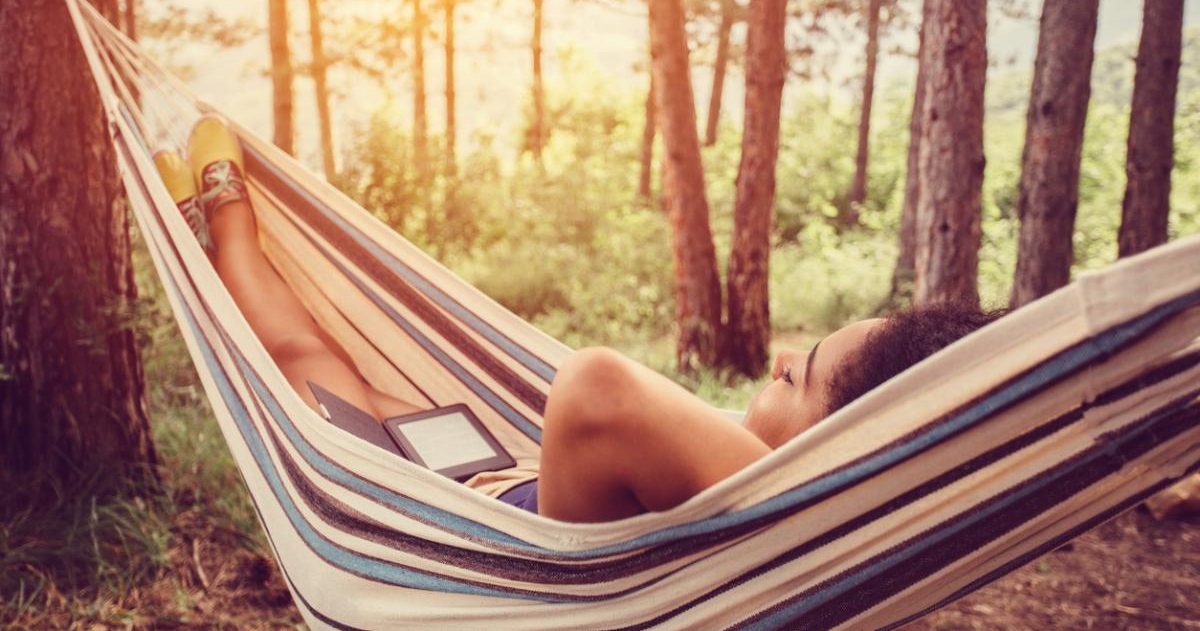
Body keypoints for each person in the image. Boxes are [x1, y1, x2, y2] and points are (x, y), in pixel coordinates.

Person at [156, 116, 1003, 523]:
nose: (777, 355)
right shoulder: (729, 501)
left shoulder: (792, 519)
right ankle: (218, 226)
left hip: (426, 525)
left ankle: (219, 228)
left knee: (300, 350)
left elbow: (598, 386)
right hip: (467, 474)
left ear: (839, 452)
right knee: (332, 352)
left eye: (795, 374)